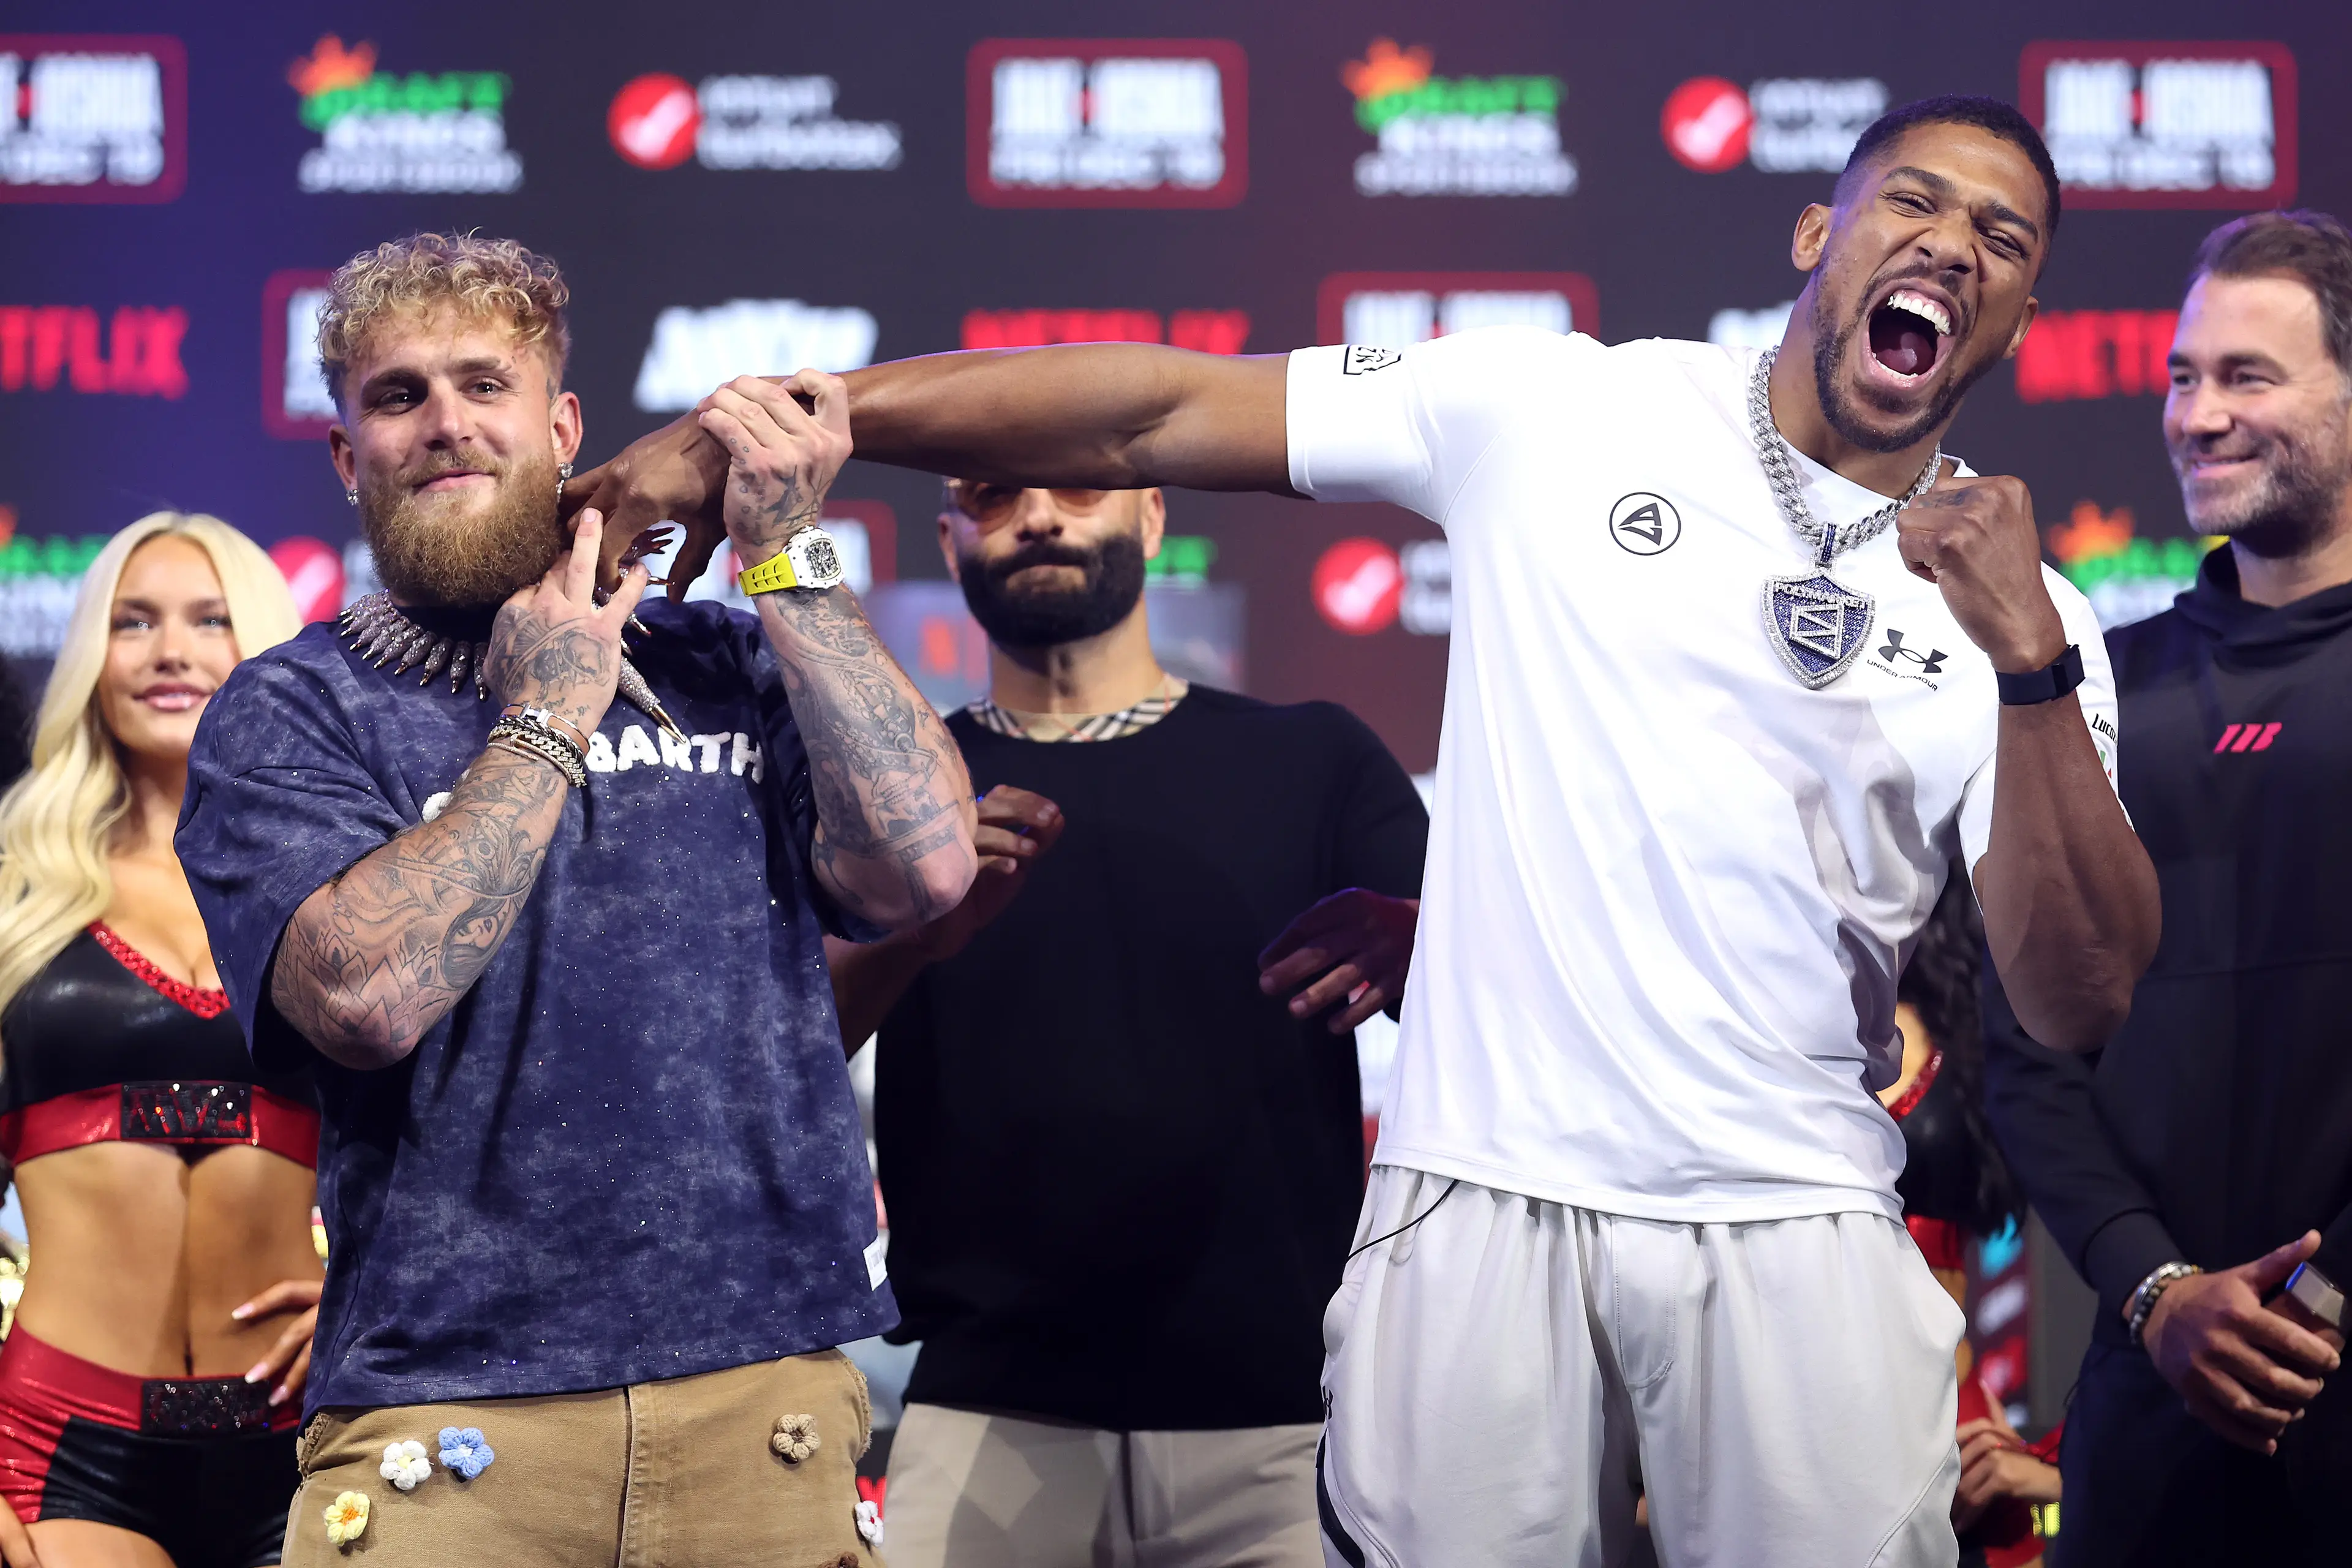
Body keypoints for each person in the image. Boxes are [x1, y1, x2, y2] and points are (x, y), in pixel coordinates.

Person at [567, 94, 2159, 1564]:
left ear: (2019, 313)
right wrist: (773, 428)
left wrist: (2022, 658)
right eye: (1916, 202)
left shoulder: (2032, 613)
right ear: (1821, 233)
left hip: (1797, 1223)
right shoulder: (1565, 407)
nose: (1951, 246)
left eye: (2003, 240)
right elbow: (1151, 411)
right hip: (1483, 1201)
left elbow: (2077, 992)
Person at [173, 233, 976, 1566]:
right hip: (449, 1427)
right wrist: (544, 715)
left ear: (561, 428)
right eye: (397, 395)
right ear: (344, 456)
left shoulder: (726, 657)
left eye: (484, 386)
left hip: (762, 1398)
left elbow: (924, 863)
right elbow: (365, 995)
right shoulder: (292, 710)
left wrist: (784, 559)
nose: (445, 424)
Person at [826, 480, 1427, 1567]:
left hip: (1283, 1426)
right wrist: (911, 928)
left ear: (1151, 518)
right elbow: (778, 1058)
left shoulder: (1316, 761)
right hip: (985, 1411)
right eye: (999, 495)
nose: (1043, 516)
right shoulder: (889, 807)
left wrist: (1431, 936)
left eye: (1080, 487)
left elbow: (1504, 1007)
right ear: (950, 535)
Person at [1983, 208, 2352, 1564]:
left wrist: (2317, 1300)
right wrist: (2159, 1293)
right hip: (2153, 1391)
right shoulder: (2097, 687)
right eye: (2182, 376)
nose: (2197, 417)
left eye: (2247, 376)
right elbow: (2025, 1045)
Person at [0, 513, 310, 1568]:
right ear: (93, 656)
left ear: (260, 646)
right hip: (59, 1447)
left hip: (311, 1444)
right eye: (133, 623)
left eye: (210, 620)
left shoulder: (348, 888)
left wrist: (371, 1287)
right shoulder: (14, 885)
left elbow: (451, 1146)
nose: (171, 651)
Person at [1882, 874, 2059, 1568]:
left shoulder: (1971, 1026)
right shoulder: (1772, 1018)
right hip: (1798, 1402)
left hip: (1947, 1416)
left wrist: (2053, 1474)